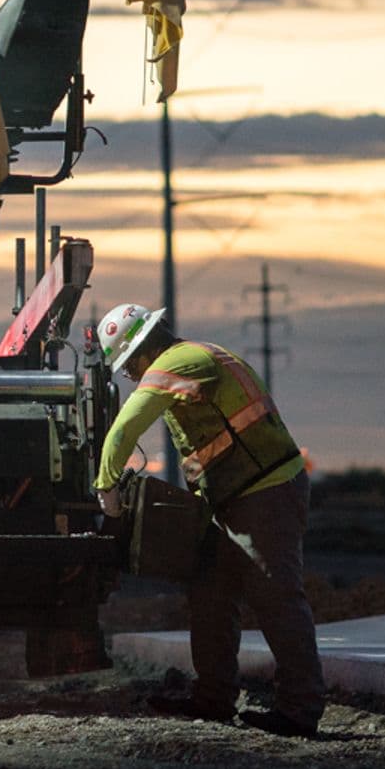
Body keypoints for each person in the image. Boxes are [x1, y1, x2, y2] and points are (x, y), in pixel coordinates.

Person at [92, 301, 324, 737]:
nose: (130, 377)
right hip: (233, 499)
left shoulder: (179, 363)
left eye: (126, 368)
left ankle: (300, 708)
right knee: (211, 595)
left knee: (276, 598)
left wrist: (106, 489)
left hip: (265, 494)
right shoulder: (193, 362)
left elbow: (127, 425)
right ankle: (214, 698)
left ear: (141, 352)